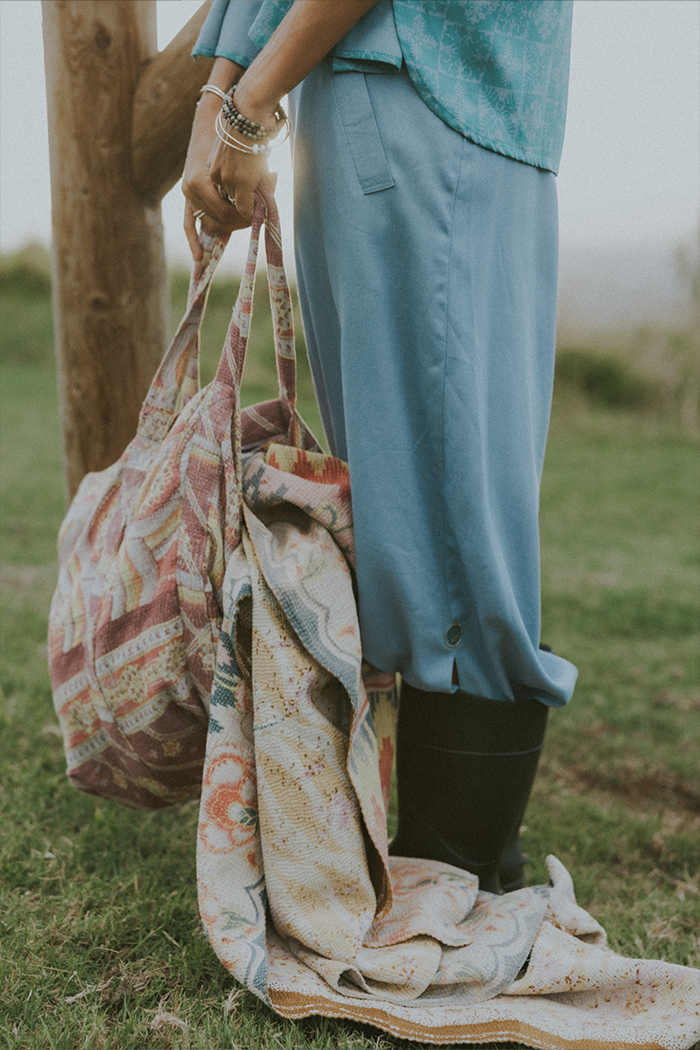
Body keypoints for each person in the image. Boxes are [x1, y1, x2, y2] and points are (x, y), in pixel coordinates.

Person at [182, 0, 579, 895]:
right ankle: (460, 863)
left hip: (423, 91)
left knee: (442, 508)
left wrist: (239, 100)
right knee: (435, 508)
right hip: (408, 89)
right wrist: (224, 98)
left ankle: (460, 866)